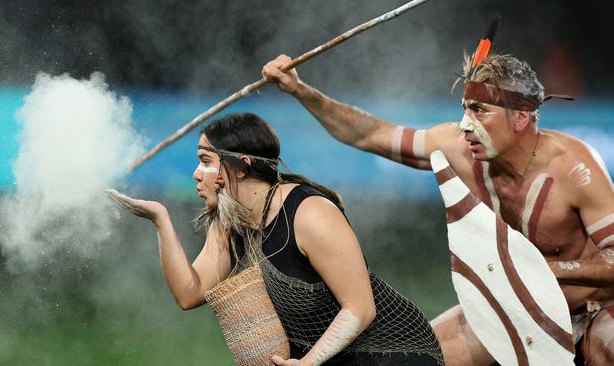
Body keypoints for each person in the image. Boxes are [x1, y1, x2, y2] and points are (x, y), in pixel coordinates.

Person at [262, 50, 614, 365]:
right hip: (514, 310)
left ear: (520, 118)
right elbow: (369, 135)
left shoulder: (574, 168)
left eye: (480, 111)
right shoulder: (457, 147)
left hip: (592, 308)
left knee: (607, 349)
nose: (466, 125)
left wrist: (547, 271)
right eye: (465, 109)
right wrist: (300, 90)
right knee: (417, 359)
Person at [107, 112, 444, 365]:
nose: (196, 174)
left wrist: (308, 362)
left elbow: (360, 308)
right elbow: (189, 292)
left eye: (206, 162)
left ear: (240, 167)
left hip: (393, 353)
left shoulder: (310, 213)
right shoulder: (229, 224)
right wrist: (160, 220)